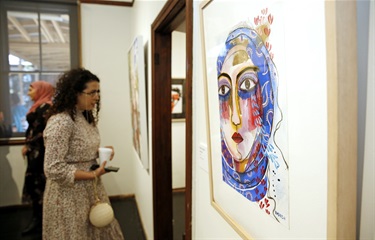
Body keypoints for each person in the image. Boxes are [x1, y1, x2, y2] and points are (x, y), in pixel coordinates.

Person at [216, 24, 289, 224]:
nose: (235, 118)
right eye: (223, 90)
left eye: (247, 86)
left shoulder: (279, 186)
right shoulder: (221, 172)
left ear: (267, 97)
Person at [42, 68, 124, 239]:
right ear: (75, 93)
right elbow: (53, 168)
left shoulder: (84, 116)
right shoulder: (61, 122)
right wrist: (92, 174)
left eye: (98, 92)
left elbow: (78, 150)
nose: (97, 97)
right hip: (69, 196)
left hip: (90, 189)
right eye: (92, 92)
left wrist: (100, 153)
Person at [20, 81, 54, 235]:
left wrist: (30, 144)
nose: (28, 93)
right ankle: (38, 220)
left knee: (41, 186)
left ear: (41, 90)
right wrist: (28, 145)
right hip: (34, 152)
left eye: (31, 89)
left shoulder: (47, 107)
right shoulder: (38, 106)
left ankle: (43, 222)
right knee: (36, 186)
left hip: (41, 154)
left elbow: (43, 132)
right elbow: (33, 129)